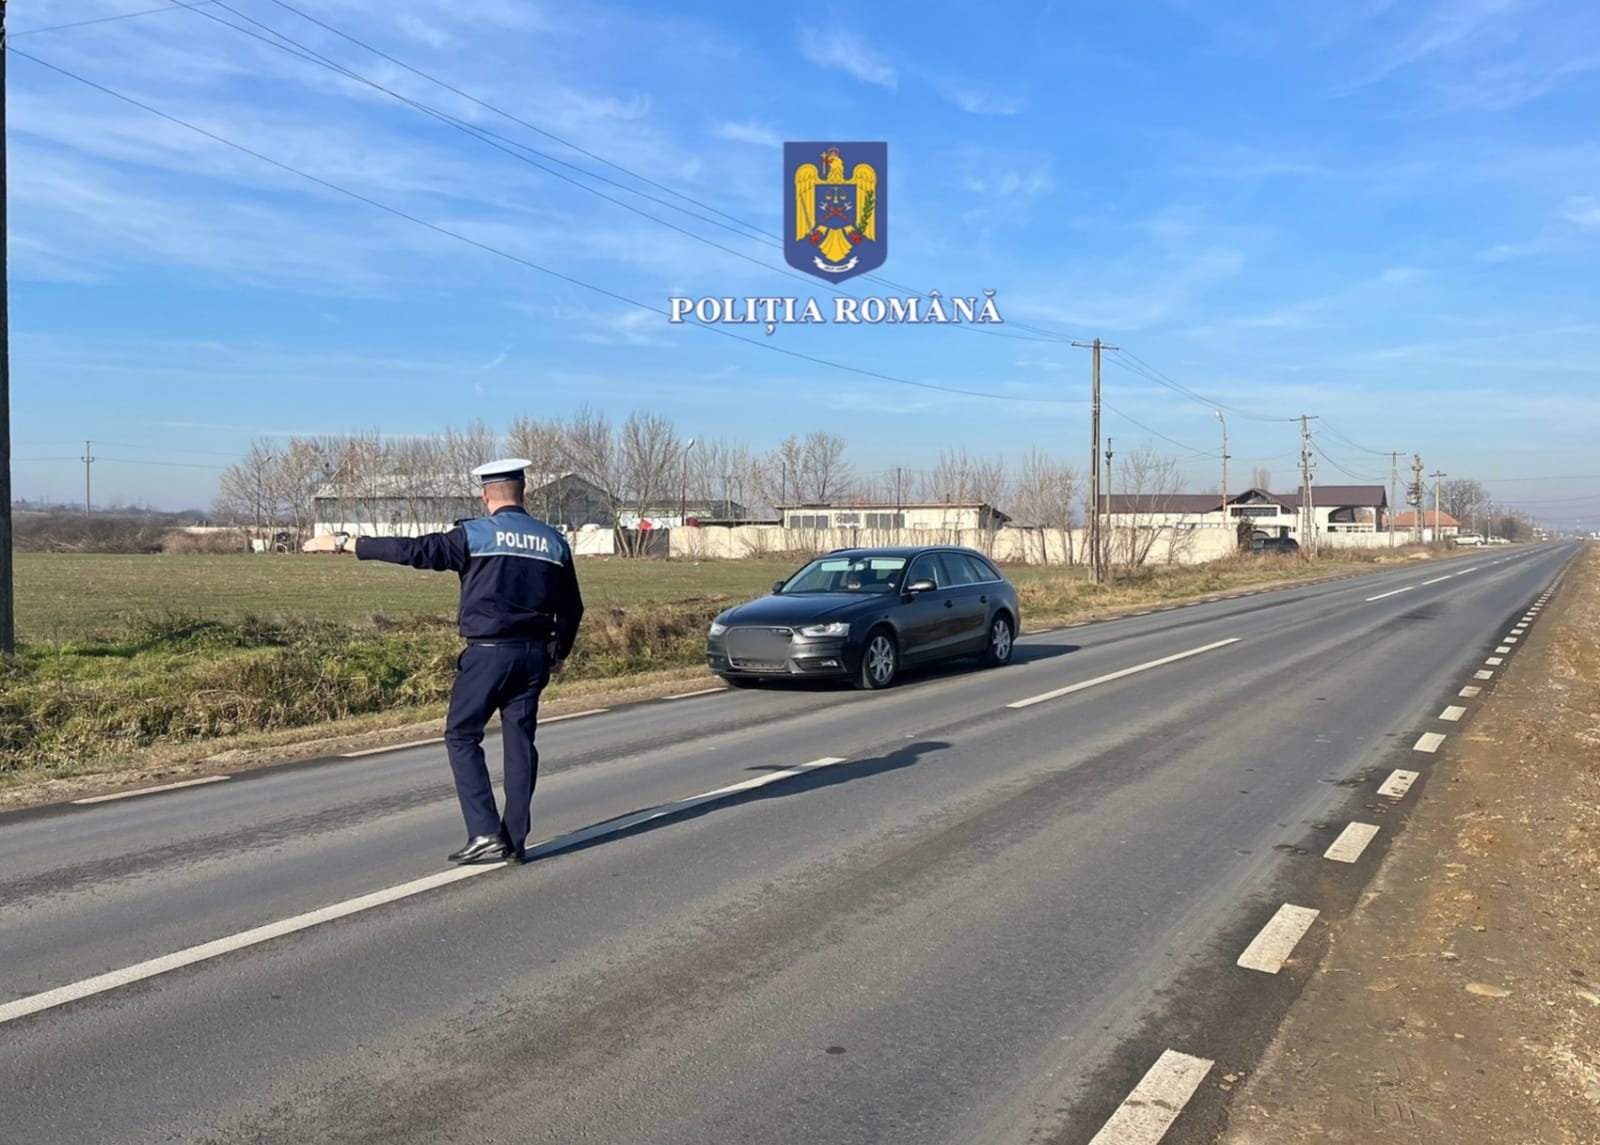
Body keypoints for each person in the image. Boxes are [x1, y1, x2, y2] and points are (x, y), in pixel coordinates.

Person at [302, 458, 584, 865]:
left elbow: (413, 550)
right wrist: (558, 654)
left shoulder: (473, 535)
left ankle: (485, 831)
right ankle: (515, 840)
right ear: (523, 492)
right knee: (521, 743)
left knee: (462, 734)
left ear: (486, 495)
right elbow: (573, 608)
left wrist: (348, 543)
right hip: (534, 656)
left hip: (488, 654)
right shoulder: (553, 541)